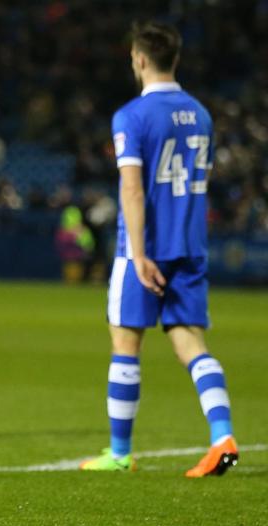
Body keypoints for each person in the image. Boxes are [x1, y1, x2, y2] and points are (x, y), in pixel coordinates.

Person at [80, 22, 238, 477]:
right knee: (191, 342)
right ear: (176, 60)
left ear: (141, 60)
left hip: (144, 249)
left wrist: (139, 252)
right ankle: (221, 434)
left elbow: (132, 189)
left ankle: (120, 452)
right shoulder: (202, 114)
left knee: (125, 343)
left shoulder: (131, 116)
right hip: (189, 244)